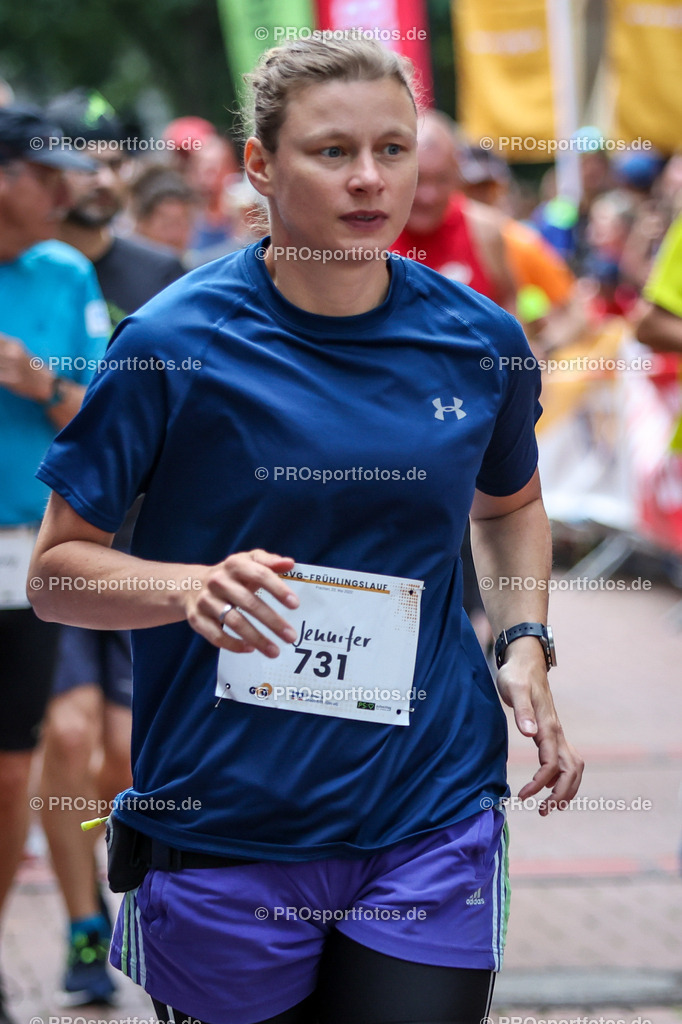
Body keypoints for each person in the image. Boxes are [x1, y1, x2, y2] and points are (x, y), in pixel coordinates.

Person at [29, 37, 583, 1024]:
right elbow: (59, 573)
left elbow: (509, 507)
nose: (371, 179)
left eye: (393, 148)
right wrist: (185, 587)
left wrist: (525, 637)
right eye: (332, 152)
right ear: (259, 166)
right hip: (227, 821)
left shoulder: (476, 338)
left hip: (430, 804)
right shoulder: (168, 344)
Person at [39, 94, 186, 1007]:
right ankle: (82, 922)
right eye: (70, 159)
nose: (90, 173)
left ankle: (132, 893)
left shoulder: (161, 274)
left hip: (145, 554)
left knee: (125, 756)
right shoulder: (35, 270)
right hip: (49, 547)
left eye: (101, 157)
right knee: (66, 734)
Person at [0, 104, 109, 1024]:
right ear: (8, 181)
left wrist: (43, 384)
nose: (71, 190)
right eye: (51, 173)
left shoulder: (67, 271)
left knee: (14, 767)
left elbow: (103, 426)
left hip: (22, 555)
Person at [392, 109, 516, 312]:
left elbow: (509, 303)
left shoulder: (486, 231)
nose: (428, 196)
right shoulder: (369, 234)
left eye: (442, 179)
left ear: (458, 176)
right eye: (418, 179)